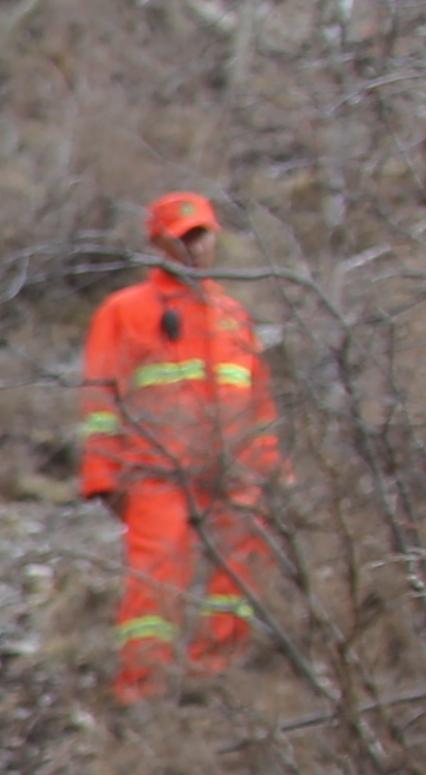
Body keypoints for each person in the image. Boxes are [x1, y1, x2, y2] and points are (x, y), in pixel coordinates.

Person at [78, 191, 277, 699]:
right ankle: (143, 691)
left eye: (204, 234)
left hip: (232, 474)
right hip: (154, 476)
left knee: (239, 572)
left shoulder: (234, 315)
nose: (197, 247)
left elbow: (258, 400)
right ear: (159, 241)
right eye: (185, 237)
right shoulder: (123, 312)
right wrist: (103, 475)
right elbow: (101, 395)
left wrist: (268, 467)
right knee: (154, 584)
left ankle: (215, 680)